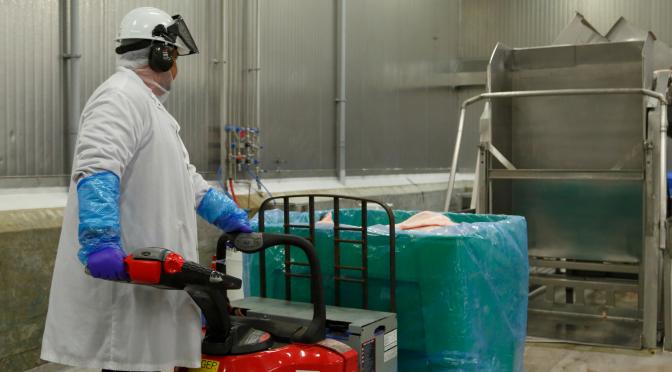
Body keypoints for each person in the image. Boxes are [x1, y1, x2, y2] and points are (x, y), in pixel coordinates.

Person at [40, 7, 251, 372]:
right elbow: (98, 167)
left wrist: (231, 217)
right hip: (126, 286)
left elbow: (188, 182)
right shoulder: (119, 97)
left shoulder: (152, 109)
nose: (177, 68)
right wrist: (101, 241)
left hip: (154, 283)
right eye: (175, 56)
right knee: (124, 358)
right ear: (162, 52)